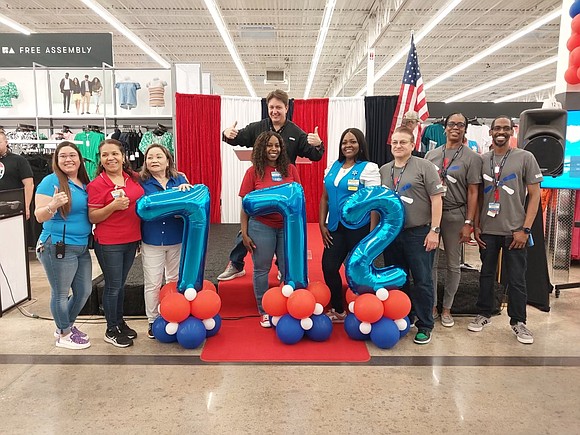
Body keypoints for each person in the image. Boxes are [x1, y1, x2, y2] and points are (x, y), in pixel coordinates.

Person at [218, 89, 324, 281]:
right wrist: (227, 134)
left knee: (285, 233)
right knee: (249, 227)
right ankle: (236, 263)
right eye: (272, 107)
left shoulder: (295, 132)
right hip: (260, 186)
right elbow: (238, 138)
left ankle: (283, 266)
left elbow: (314, 155)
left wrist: (318, 144)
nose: (275, 111)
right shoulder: (258, 127)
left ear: (286, 108)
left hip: (284, 191)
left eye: (279, 107)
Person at [470, 116, 542, 345]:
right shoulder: (482, 160)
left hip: (515, 231)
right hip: (488, 229)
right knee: (486, 274)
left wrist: (526, 229)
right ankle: (483, 313)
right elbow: (478, 195)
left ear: (512, 132)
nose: (501, 132)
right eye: (497, 128)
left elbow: (535, 195)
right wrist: (476, 225)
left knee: (517, 279)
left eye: (506, 128)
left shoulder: (525, 158)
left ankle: (518, 322)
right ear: (490, 132)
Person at [380, 126, 444, 345]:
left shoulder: (424, 166)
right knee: (399, 279)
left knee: (422, 279)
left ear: (412, 145)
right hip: (391, 233)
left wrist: (434, 230)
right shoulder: (384, 170)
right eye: (395, 142)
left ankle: (425, 324)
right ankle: (405, 316)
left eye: (403, 142)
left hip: (419, 232)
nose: (398, 146)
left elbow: (437, 199)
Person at [425, 113, 482, 327]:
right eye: (452, 124)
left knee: (452, 264)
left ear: (465, 129)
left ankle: (447, 308)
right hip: (432, 215)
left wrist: (469, 223)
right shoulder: (431, 155)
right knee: (430, 264)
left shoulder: (472, 158)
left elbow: (473, 192)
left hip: (456, 215)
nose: (455, 128)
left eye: (460, 124)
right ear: (444, 128)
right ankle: (432, 306)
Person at [239, 131, 301, 327]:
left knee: (288, 268)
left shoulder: (290, 169)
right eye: (269, 145)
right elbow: (245, 204)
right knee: (261, 269)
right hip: (261, 226)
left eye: (277, 145)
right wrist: (245, 232)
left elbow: (298, 199)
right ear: (261, 148)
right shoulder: (253, 172)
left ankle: (286, 305)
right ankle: (264, 309)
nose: (274, 149)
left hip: (287, 228)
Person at [34, 142, 92, 349]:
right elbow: (39, 216)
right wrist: (53, 205)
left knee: (84, 290)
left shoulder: (84, 182)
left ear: (80, 159)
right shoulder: (50, 181)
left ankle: (65, 324)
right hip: (57, 246)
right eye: (63, 156)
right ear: (56, 160)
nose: (68, 159)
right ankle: (64, 335)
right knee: (60, 292)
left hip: (82, 246)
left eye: (72, 155)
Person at [319, 128, 380, 322]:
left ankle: (365, 310)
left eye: (353, 141)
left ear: (360, 144)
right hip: (335, 227)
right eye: (345, 142)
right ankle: (339, 309)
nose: (348, 145)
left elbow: (374, 203)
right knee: (329, 267)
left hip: (360, 228)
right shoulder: (333, 166)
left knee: (358, 270)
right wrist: (322, 223)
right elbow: (325, 197)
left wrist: (372, 235)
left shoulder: (369, 168)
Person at [88, 139, 144, 348]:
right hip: (109, 242)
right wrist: (113, 206)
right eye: (105, 155)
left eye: (114, 154)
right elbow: (93, 217)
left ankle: (119, 322)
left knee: (120, 285)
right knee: (112, 286)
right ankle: (111, 329)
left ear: (123, 156)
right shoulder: (97, 185)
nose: (110, 158)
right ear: (100, 160)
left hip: (131, 240)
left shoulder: (133, 179)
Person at [140, 144, 191, 339]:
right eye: (150, 157)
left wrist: (186, 191)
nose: (154, 160)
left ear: (167, 160)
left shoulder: (180, 179)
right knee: (152, 282)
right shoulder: (141, 182)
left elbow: (190, 205)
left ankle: (173, 313)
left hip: (176, 237)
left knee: (174, 280)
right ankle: (153, 320)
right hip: (152, 239)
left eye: (158, 157)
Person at [0, 131, 34, 220]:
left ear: (6, 143)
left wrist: (26, 206)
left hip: (13, 208)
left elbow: (29, 184)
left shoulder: (19, 160)